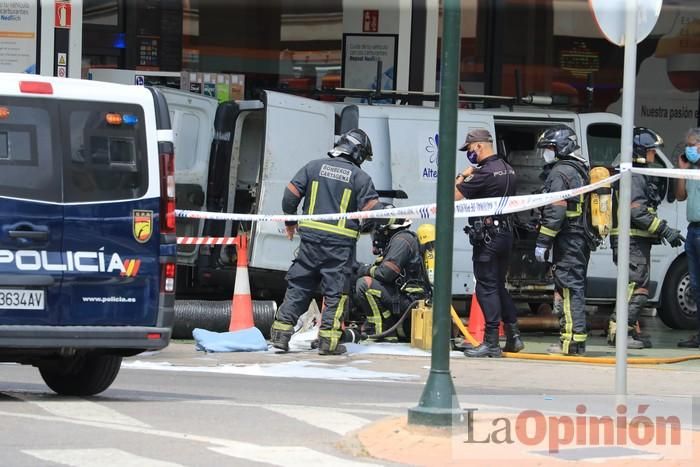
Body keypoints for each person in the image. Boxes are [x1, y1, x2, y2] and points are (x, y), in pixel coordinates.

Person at [271, 128, 379, 355]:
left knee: (299, 286)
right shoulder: (360, 178)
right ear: (358, 153)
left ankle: (280, 336)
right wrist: (364, 228)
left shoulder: (313, 167)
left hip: (309, 243)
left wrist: (291, 222)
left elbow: (290, 195)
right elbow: (371, 214)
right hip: (339, 249)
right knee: (335, 294)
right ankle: (327, 343)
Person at [609, 127, 684, 349]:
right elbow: (636, 212)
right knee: (637, 289)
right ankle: (620, 331)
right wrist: (664, 230)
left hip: (636, 240)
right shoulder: (635, 176)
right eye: (652, 150)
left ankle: (628, 330)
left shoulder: (634, 173)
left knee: (632, 287)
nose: (654, 154)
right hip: (631, 240)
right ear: (641, 151)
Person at [455, 128, 523, 358]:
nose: (469, 153)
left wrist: (463, 175)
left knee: (486, 287)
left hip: (488, 237)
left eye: (469, 149)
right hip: (506, 234)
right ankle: (514, 336)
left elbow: (452, 194)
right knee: (498, 285)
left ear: (479, 146)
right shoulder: (508, 169)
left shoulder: (482, 173)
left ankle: (491, 341)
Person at [534, 125, 591, 356]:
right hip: (580, 238)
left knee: (568, 288)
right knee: (574, 287)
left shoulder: (560, 173)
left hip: (568, 238)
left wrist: (543, 242)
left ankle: (570, 344)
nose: (546, 153)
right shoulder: (580, 168)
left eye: (549, 147)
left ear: (560, 146)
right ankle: (577, 340)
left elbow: (556, 212)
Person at [354, 208, 429, 340]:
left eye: (375, 231)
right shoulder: (398, 240)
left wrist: (363, 269)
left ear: (385, 228)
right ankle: (387, 328)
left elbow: (386, 273)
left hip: (410, 301)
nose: (375, 236)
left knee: (365, 284)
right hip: (403, 297)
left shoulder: (402, 240)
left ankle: (379, 331)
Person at [676, 127, 700, 348]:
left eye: (692, 144)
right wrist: (682, 172)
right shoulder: (693, 169)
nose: (689, 149)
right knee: (695, 283)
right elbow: (680, 196)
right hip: (693, 230)